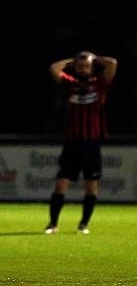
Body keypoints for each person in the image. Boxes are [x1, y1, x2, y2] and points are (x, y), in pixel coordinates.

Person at [45, 51, 118, 235]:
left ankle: (83, 224)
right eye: (80, 66)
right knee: (61, 183)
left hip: (91, 143)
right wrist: (73, 60)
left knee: (91, 185)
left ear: (92, 67)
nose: (83, 69)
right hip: (72, 142)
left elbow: (112, 64)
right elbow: (54, 68)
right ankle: (53, 224)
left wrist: (94, 58)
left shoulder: (99, 84)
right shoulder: (70, 84)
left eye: (86, 66)